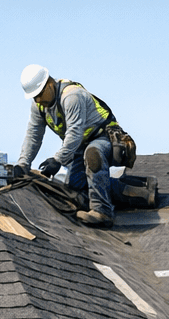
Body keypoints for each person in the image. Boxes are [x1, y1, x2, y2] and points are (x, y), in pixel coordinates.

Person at [13, 65, 123, 228]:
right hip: (80, 146)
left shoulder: (72, 96)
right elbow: (33, 134)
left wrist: (58, 160)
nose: (37, 100)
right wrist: (23, 164)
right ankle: (132, 191)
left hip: (103, 137)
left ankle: (102, 212)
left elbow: (75, 132)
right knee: (74, 188)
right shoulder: (39, 106)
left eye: (39, 95)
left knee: (94, 154)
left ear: (49, 84)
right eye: (34, 97)